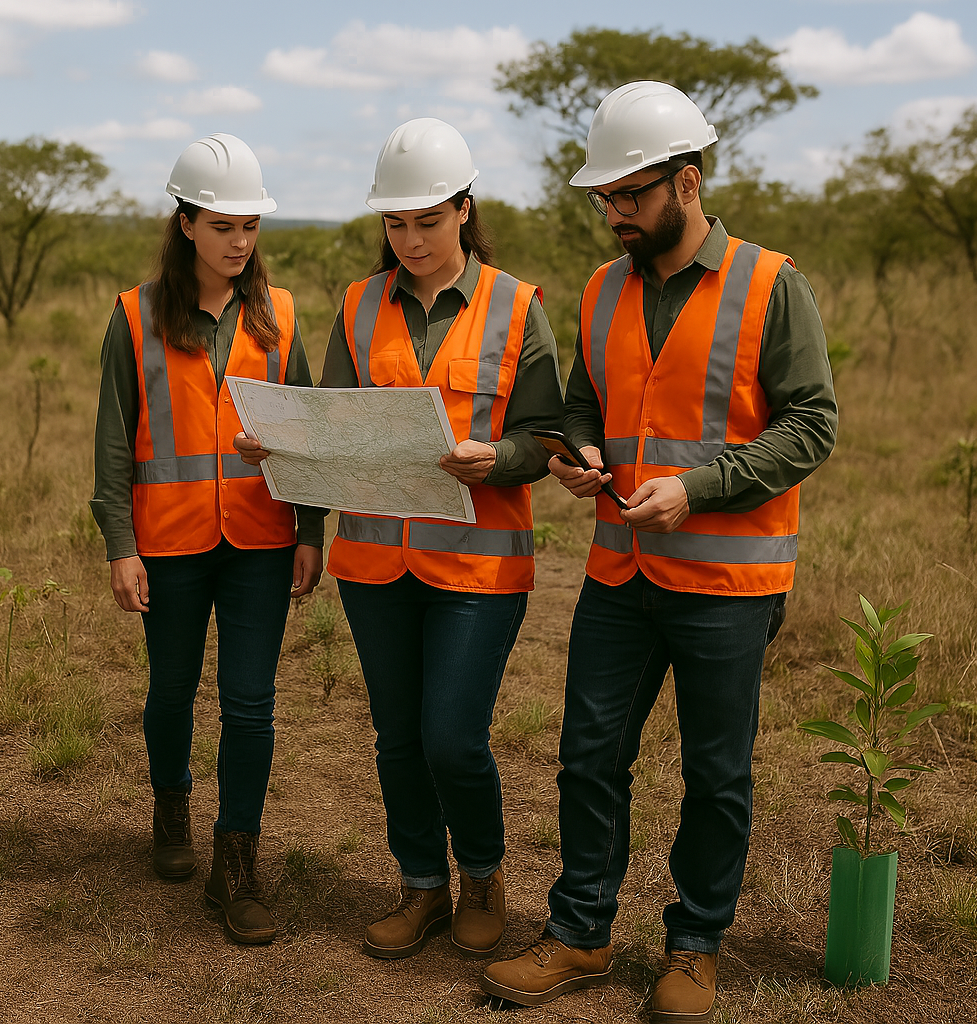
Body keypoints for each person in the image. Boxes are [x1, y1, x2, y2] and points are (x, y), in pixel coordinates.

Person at [481, 82, 838, 1023]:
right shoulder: (603, 289)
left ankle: (695, 947)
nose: (614, 215)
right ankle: (581, 933)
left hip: (730, 579)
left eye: (629, 197)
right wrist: (582, 449)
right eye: (604, 200)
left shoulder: (771, 284)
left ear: (686, 181)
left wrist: (699, 488)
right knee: (587, 757)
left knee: (716, 773)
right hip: (617, 571)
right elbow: (583, 400)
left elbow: (813, 426)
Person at [242, 118, 566, 959]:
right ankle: (420, 884)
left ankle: (484, 874)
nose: (411, 239)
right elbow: (333, 428)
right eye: (396, 223)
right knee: (395, 736)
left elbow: (544, 440)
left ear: (464, 209)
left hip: (477, 565)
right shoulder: (358, 304)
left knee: (451, 736)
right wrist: (281, 443)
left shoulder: (520, 307)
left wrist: (496, 458)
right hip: (376, 560)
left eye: (427, 220)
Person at [89, 133, 324, 945]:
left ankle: (237, 863)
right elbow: (114, 442)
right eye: (223, 225)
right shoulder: (133, 314)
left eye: (250, 226)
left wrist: (311, 530)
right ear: (184, 222)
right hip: (170, 542)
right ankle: (170, 805)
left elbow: (310, 433)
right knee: (172, 688)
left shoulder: (283, 314)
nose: (239, 241)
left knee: (251, 703)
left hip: (262, 539)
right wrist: (121, 542)